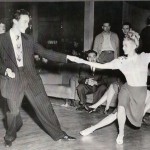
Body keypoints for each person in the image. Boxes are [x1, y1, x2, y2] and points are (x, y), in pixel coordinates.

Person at [0, 9, 78, 147]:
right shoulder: (2, 39)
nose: (27, 25)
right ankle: (10, 136)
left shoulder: (28, 39)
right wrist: (5, 70)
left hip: (31, 77)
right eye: (24, 22)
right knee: (13, 112)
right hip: (12, 78)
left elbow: (45, 52)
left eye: (28, 22)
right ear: (15, 21)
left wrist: (67, 57)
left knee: (45, 106)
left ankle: (59, 133)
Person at [71, 29, 150, 144]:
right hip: (127, 90)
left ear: (135, 45)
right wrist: (82, 61)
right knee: (120, 111)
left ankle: (141, 113)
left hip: (140, 92)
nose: (123, 48)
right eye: (122, 45)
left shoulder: (145, 57)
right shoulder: (121, 61)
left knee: (118, 114)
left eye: (125, 45)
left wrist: (144, 110)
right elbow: (101, 66)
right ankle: (119, 133)